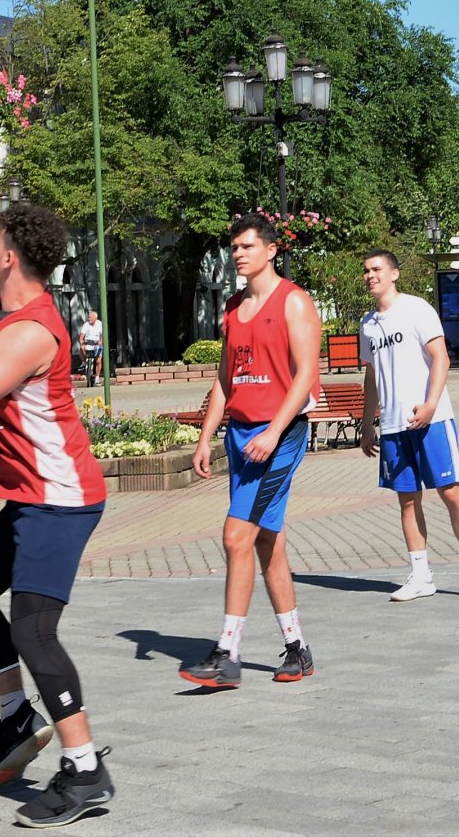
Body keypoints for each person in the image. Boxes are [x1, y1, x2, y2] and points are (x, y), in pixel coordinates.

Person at [0, 202, 115, 827]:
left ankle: (85, 768)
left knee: (36, 630)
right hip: (31, 500)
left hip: (61, 499)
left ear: (10, 256)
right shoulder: (2, 297)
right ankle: (16, 714)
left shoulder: (28, 332)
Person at [180, 213, 321, 689]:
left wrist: (273, 431)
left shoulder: (294, 302)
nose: (238, 253)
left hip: (278, 438)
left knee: (236, 536)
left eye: (246, 246)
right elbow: (225, 378)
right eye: (234, 246)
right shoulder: (233, 308)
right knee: (266, 541)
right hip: (240, 437)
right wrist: (205, 436)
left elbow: (305, 376)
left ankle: (227, 653)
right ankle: (297, 649)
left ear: (271, 250)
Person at [359, 251, 459, 603]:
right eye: (366, 271)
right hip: (393, 426)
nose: (370, 276)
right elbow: (372, 374)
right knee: (407, 500)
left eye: (376, 269)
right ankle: (421, 576)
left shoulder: (416, 308)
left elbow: (441, 357)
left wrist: (431, 404)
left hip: (431, 420)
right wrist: (366, 422)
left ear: (394, 273)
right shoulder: (368, 324)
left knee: (451, 492)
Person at [78, 310, 103, 389]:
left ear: (95, 318)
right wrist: (81, 340)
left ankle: (97, 377)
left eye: (91, 317)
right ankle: (84, 362)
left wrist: (101, 341)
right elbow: (82, 336)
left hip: (96, 343)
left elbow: (102, 335)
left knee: (98, 360)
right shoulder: (86, 325)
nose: (89, 319)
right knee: (81, 348)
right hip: (88, 343)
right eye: (89, 317)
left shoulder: (100, 324)